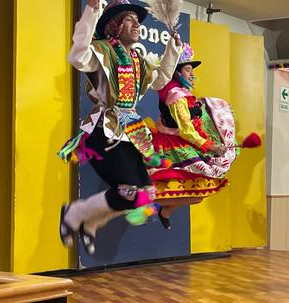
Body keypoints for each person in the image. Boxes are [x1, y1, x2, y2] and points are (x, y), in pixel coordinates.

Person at [58, 0, 182, 254]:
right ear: (115, 26)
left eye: (138, 21)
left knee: (146, 194)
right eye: (129, 20)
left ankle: (91, 222)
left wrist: (173, 49)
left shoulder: (139, 60)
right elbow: (76, 56)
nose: (137, 24)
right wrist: (92, 11)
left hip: (131, 133)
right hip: (103, 130)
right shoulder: (102, 52)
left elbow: (159, 81)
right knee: (130, 193)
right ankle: (75, 212)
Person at [141, 43, 239, 229]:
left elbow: (189, 123)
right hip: (174, 145)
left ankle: (164, 211)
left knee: (198, 195)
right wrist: (211, 146)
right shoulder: (176, 96)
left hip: (181, 142)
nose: (191, 74)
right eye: (187, 69)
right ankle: (140, 204)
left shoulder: (180, 94)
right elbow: (186, 130)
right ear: (176, 72)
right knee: (196, 191)